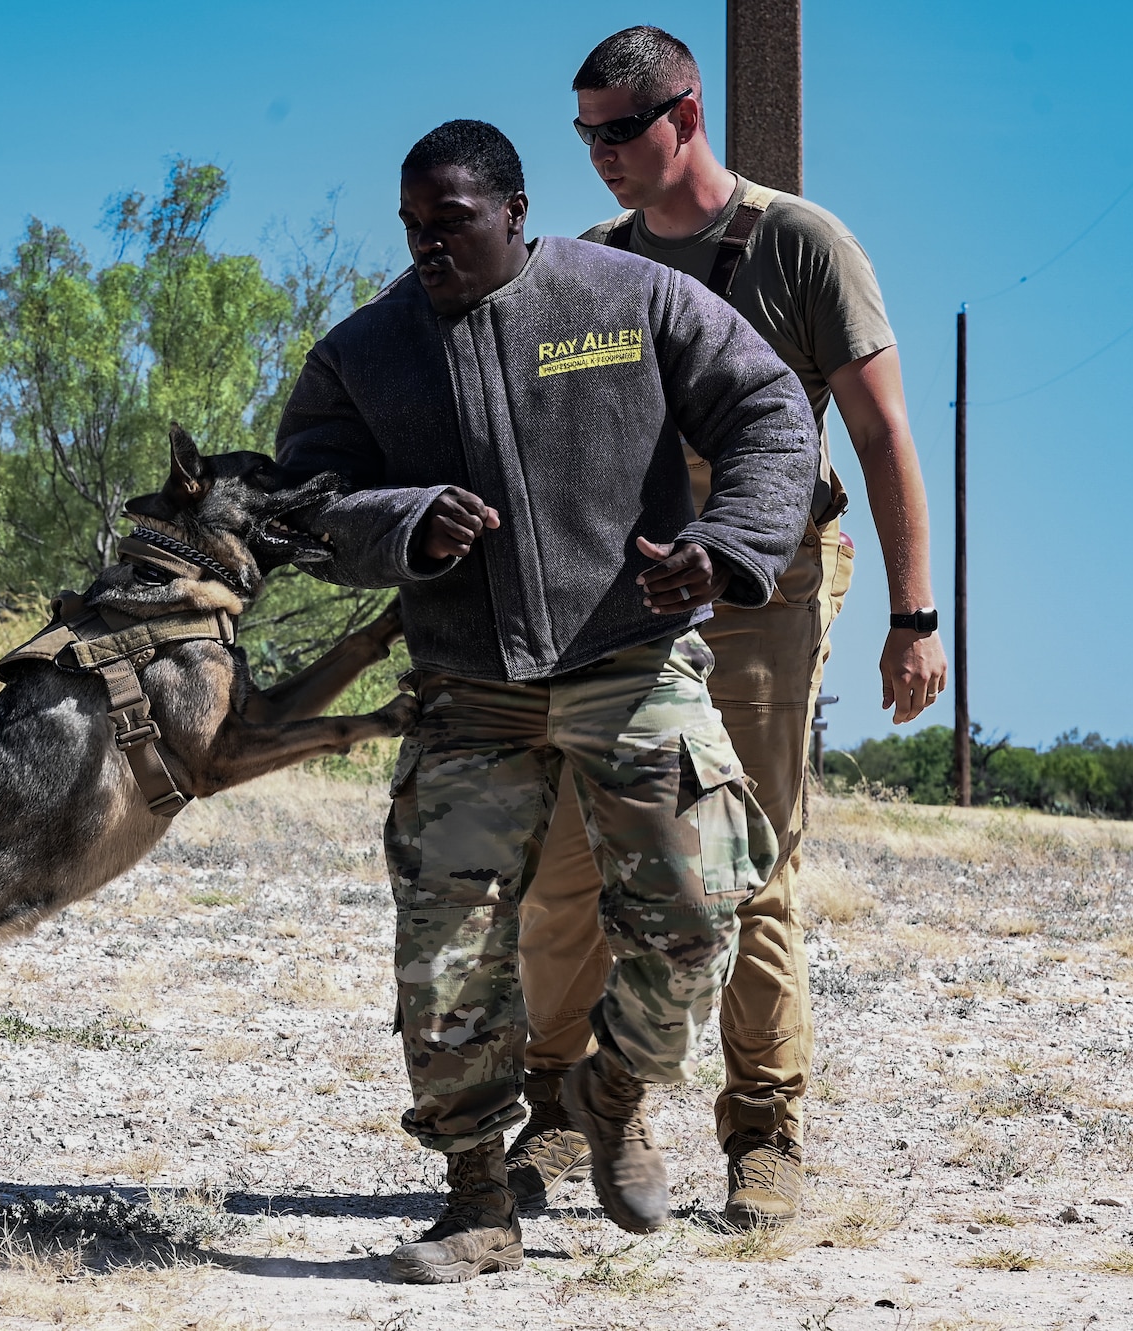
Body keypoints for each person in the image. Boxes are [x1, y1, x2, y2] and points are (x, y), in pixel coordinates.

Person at [275, 119, 818, 1283]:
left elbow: (770, 413)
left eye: (451, 223)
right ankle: (476, 1200)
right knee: (448, 957)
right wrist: (399, 518)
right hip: (469, 690)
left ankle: (609, 1090)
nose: (427, 247)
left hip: (630, 662)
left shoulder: (627, 301)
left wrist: (724, 546)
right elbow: (304, 499)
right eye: (412, 228)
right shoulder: (367, 351)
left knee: (693, 909)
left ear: (515, 211)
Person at [499, 26, 951, 1232]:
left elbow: (882, 432)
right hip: (623, 601)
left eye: (616, 129)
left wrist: (914, 614)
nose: (596, 154)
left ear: (683, 116)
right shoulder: (587, 268)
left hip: (766, 589)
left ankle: (762, 1131)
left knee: (749, 861)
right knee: (567, 864)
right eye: (582, 132)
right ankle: (558, 1107)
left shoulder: (799, 245)